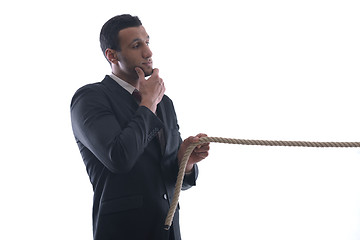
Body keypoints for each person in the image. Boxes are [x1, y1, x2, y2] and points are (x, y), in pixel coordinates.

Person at [70, 14, 210, 240]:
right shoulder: (90, 98)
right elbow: (119, 157)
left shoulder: (164, 103)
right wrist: (148, 103)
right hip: (122, 232)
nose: (148, 52)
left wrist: (185, 162)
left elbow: (170, 182)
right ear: (111, 55)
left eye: (147, 42)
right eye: (136, 45)